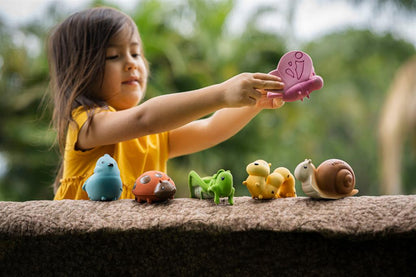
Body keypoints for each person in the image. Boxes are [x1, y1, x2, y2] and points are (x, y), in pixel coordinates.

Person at [48, 7, 285, 200]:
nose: (131, 64)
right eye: (113, 56)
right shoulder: (86, 124)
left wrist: (255, 102)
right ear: (79, 71)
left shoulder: (155, 137)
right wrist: (221, 93)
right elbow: (144, 119)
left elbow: (210, 129)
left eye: (136, 53)